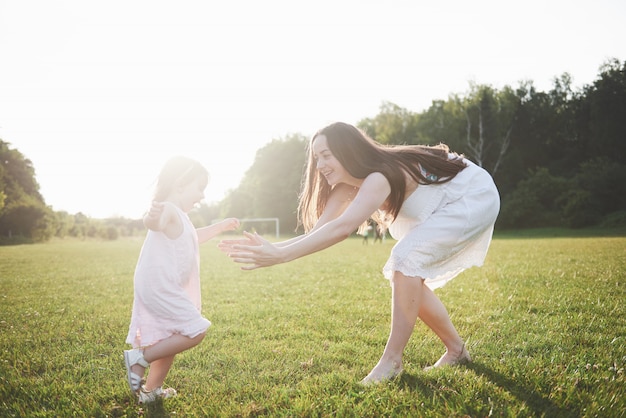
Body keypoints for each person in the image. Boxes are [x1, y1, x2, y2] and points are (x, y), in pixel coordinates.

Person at [220, 122, 500, 385]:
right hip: (440, 205)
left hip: (472, 196)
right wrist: (274, 249)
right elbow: (322, 230)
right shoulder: (347, 185)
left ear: (347, 151)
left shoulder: (379, 175)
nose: (320, 165)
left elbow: (342, 228)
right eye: (317, 158)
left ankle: (392, 361)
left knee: (406, 261)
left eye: (326, 155)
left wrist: (280, 256)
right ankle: (456, 350)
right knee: (406, 269)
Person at [124, 156, 240, 403]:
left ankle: (151, 391)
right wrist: (152, 217)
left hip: (164, 284)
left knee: (171, 336)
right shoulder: (167, 209)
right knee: (196, 329)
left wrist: (219, 226)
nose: (202, 196)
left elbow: (193, 237)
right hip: (159, 285)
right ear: (180, 184)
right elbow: (154, 222)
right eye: (200, 188)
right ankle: (140, 358)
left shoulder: (182, 217)